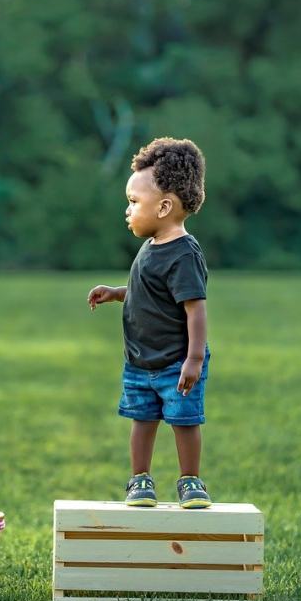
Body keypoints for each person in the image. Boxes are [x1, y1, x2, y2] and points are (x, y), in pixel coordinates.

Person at [87, 137, 212, 509]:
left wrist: (194, 360)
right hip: (140, 361)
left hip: (176, 362)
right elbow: (150, 291)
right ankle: (139, 479)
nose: (127, 210)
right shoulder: (153, 245)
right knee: (141, 420)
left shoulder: (184, 253)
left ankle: (190, 481)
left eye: (133, 202)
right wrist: (116, 292)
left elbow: (195, 309)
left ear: (164, 206)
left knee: (184, 420)